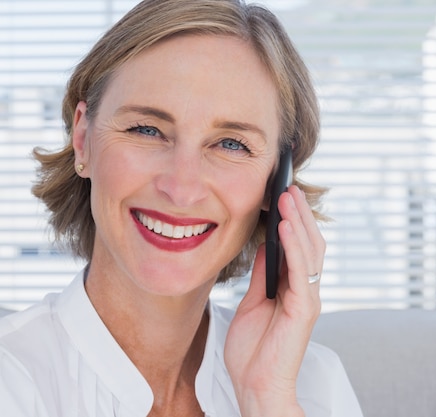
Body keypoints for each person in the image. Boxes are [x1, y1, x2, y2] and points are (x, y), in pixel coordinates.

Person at [0, 1, 363, 416]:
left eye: (231, 144)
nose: (181, 187)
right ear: (83, 139)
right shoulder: (11, 379)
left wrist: (266, 399)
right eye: (147, 130)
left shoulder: (310, 386)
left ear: (276, 181)